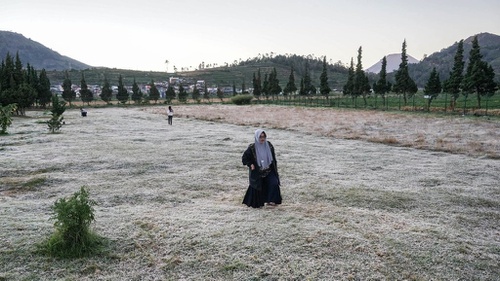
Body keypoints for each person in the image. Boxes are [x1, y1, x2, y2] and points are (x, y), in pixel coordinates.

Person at [242, 129, 282, 208]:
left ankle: (272, 201)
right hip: (257, 171)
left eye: (263, 137)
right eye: (260, 137)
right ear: (257, 137)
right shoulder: (252, 148)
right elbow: (244, 158)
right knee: (257, 186)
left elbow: (273, 158)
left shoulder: (269, 146)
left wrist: (274, 168)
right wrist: (251, 164)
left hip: (269, 169)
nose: (262, 139)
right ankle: (258, 203)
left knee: (274, 182)